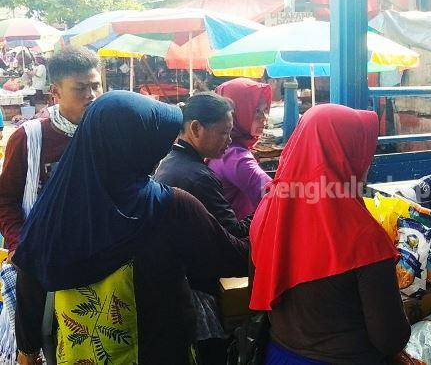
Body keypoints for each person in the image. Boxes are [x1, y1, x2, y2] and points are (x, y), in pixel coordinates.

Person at [13, 91, 249, 365]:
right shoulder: (169, 207)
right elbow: (233, 258)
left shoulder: (56, 207)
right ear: (138, 146)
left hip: (81, 355)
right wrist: (273, 211)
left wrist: (27, 351)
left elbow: (30, 280)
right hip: (160, 352)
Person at [250, 104, 411, 364]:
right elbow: (390, 338)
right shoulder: (363, 236)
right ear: (344, 156)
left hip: (277, 354)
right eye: (363, 153)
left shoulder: (269, 208)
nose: (367, 163)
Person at [153, 92, 246, 365]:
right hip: (196, 290)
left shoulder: (170, 162)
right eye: (224, 133)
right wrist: (265, 213)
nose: (229, 142)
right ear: (195, 128)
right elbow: (232, 236)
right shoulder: (197, 176)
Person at [0, 46, 102, 255]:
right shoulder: (29, 138)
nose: (90, 95)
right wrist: (18, 243)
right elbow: (5, 198)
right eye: (80, 88)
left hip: (101, 251)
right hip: (43, 253)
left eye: (95, 86)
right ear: (55, 92)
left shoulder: (110, 133)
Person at [208, 78, 272, 220]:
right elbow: (274, 194)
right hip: (240, 234)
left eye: (265, 110)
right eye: (256, 111)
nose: (264, 118)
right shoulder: (235, 155)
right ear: (236, 112)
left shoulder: (219, 145)